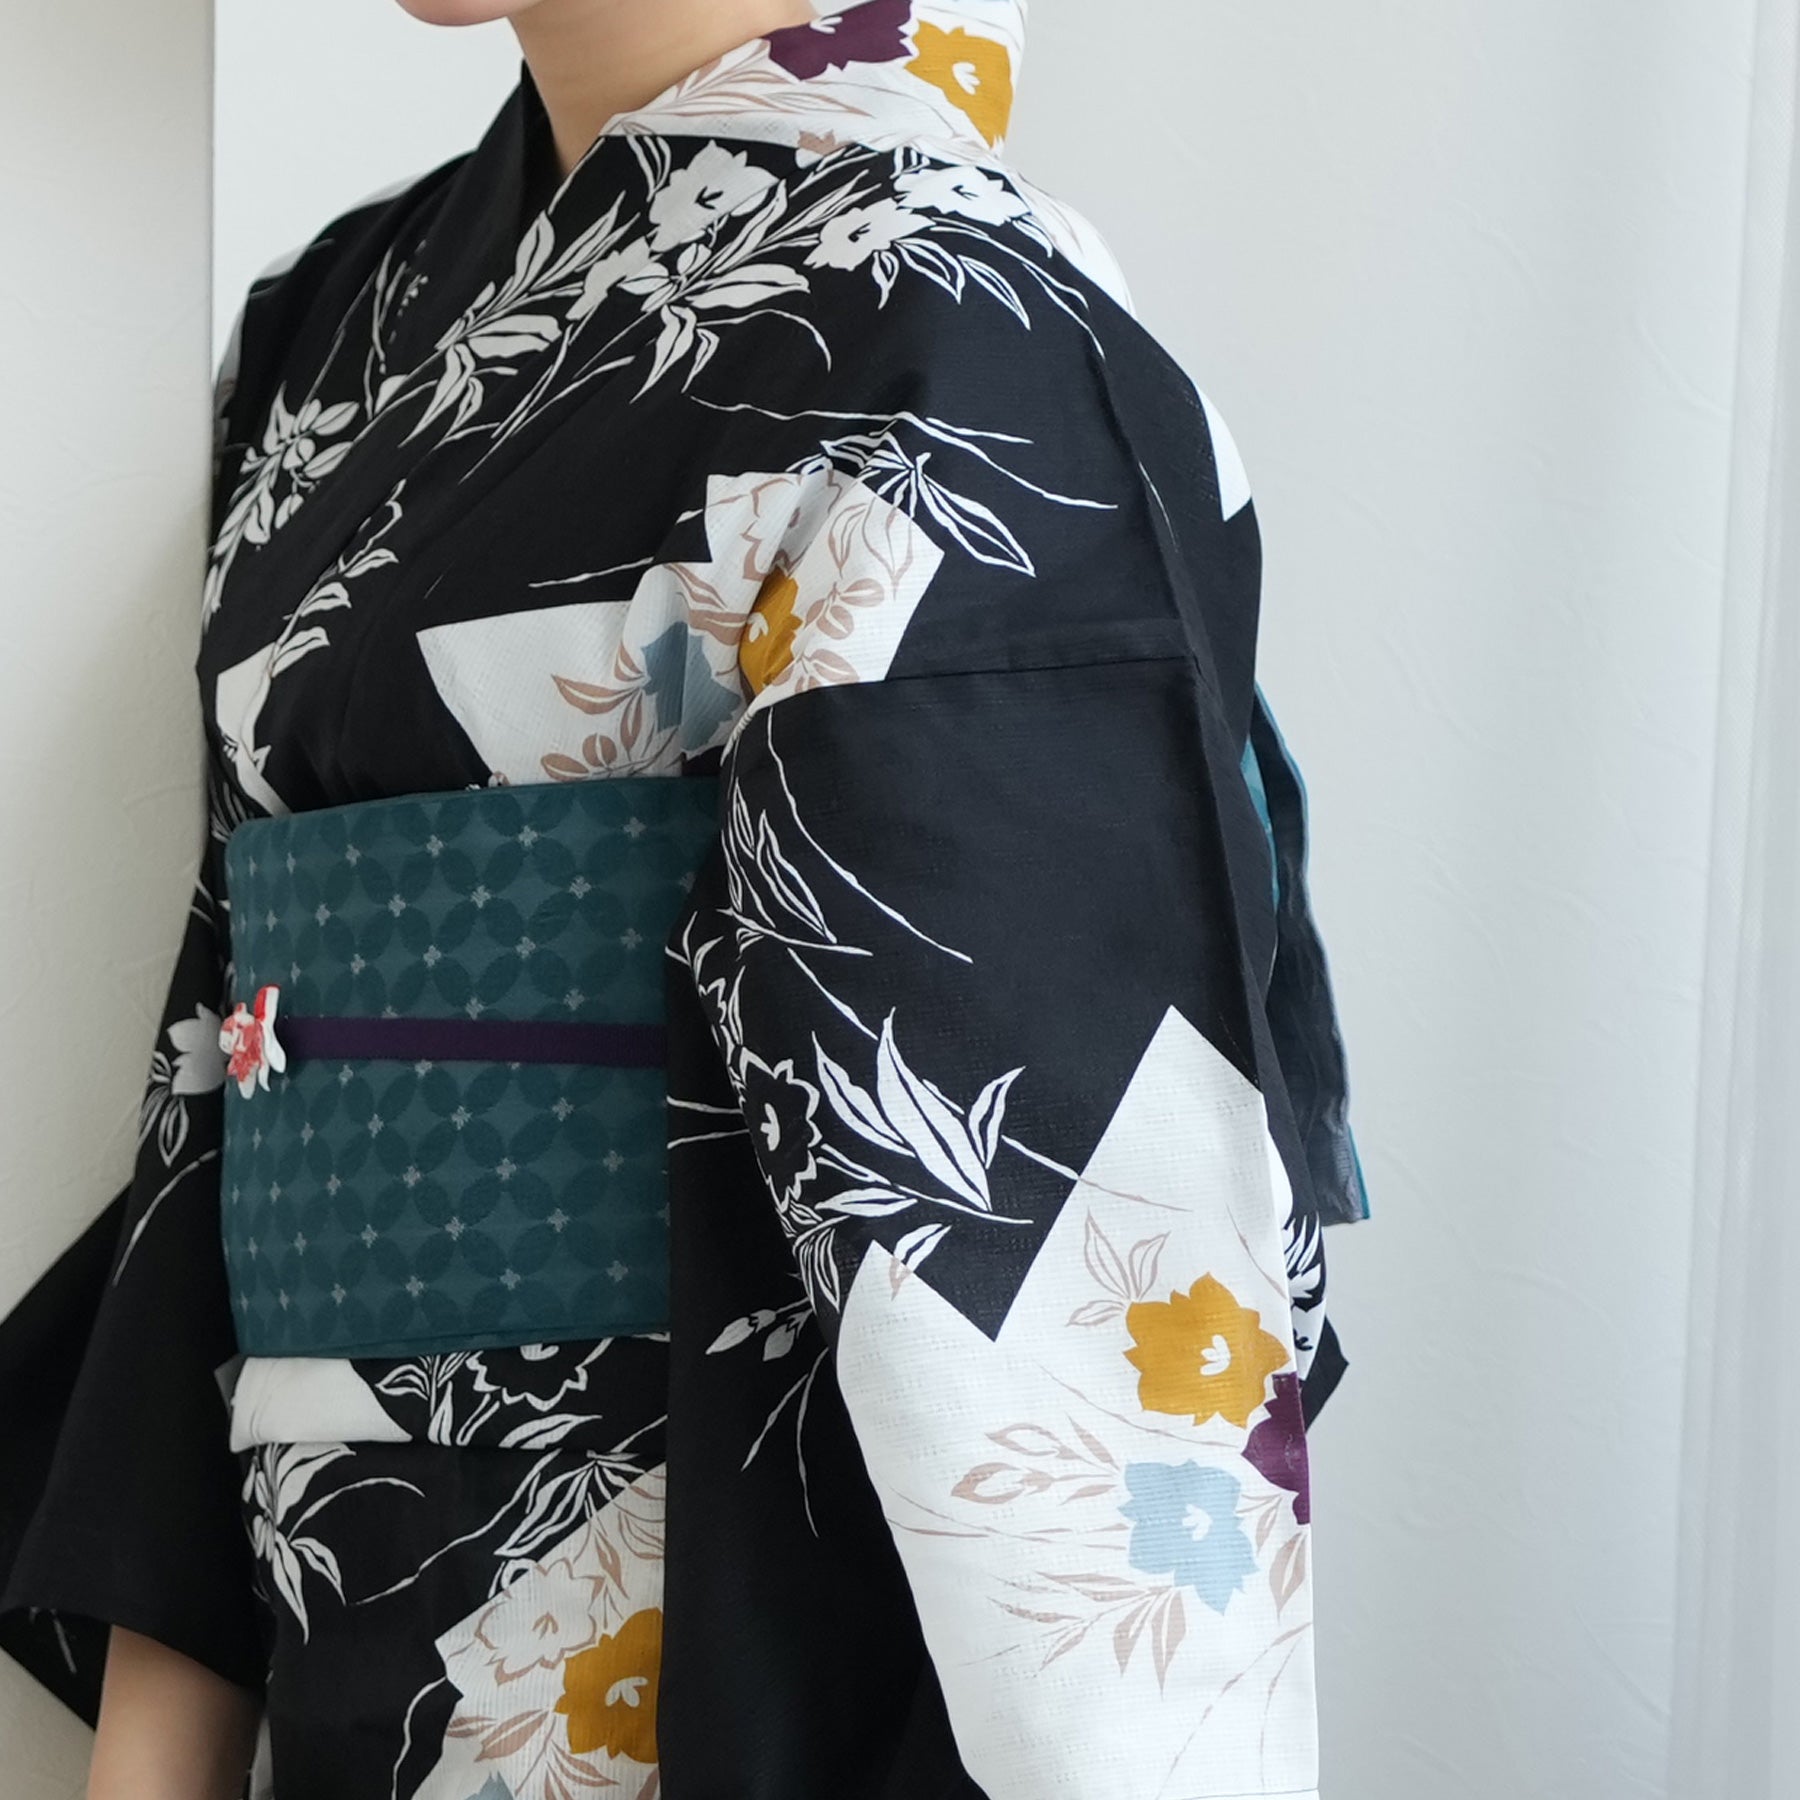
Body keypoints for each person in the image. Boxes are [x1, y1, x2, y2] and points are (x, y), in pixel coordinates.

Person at [0, 2, 1371, 1795]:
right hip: (343, 1608)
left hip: (706, 1656)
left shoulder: (960, 334)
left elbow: (1065, 1293)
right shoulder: (336, 325)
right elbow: (236, 1069)